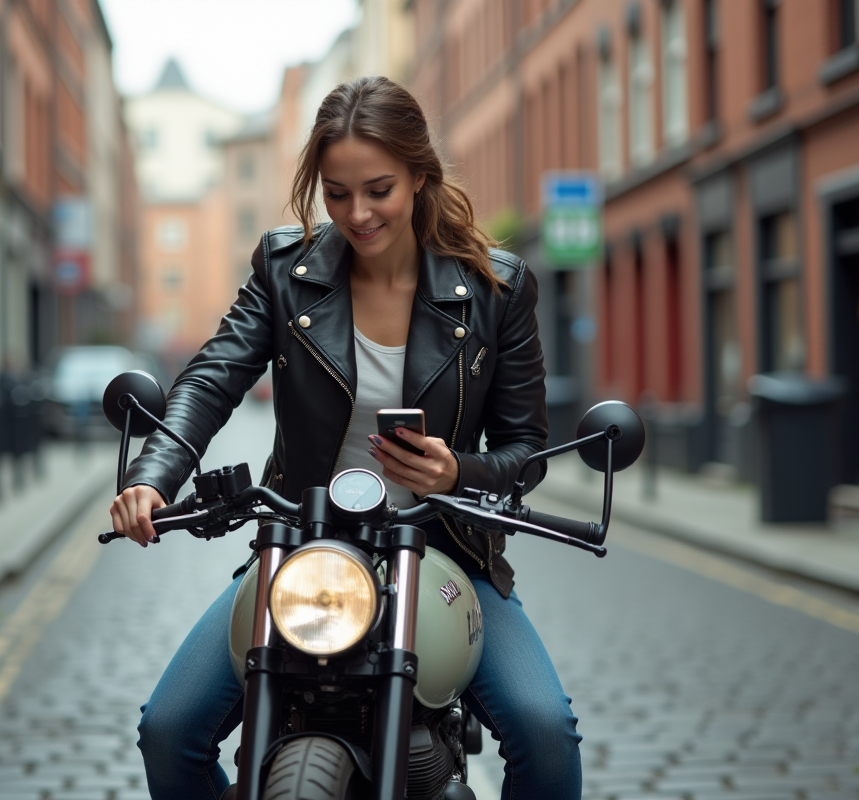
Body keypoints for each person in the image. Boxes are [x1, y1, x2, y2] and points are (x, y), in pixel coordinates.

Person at [110, 76, 581, 800]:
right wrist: (154, 474)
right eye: (336, 193)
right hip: (304, 550)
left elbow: (524, 453)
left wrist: (458, 473)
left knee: (546, 734)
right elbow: (212, 377)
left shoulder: (497, 288)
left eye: (379, 189)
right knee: (169, 731)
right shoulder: (284, 271)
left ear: (419, 176)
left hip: (446, 553)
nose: (357, 213)